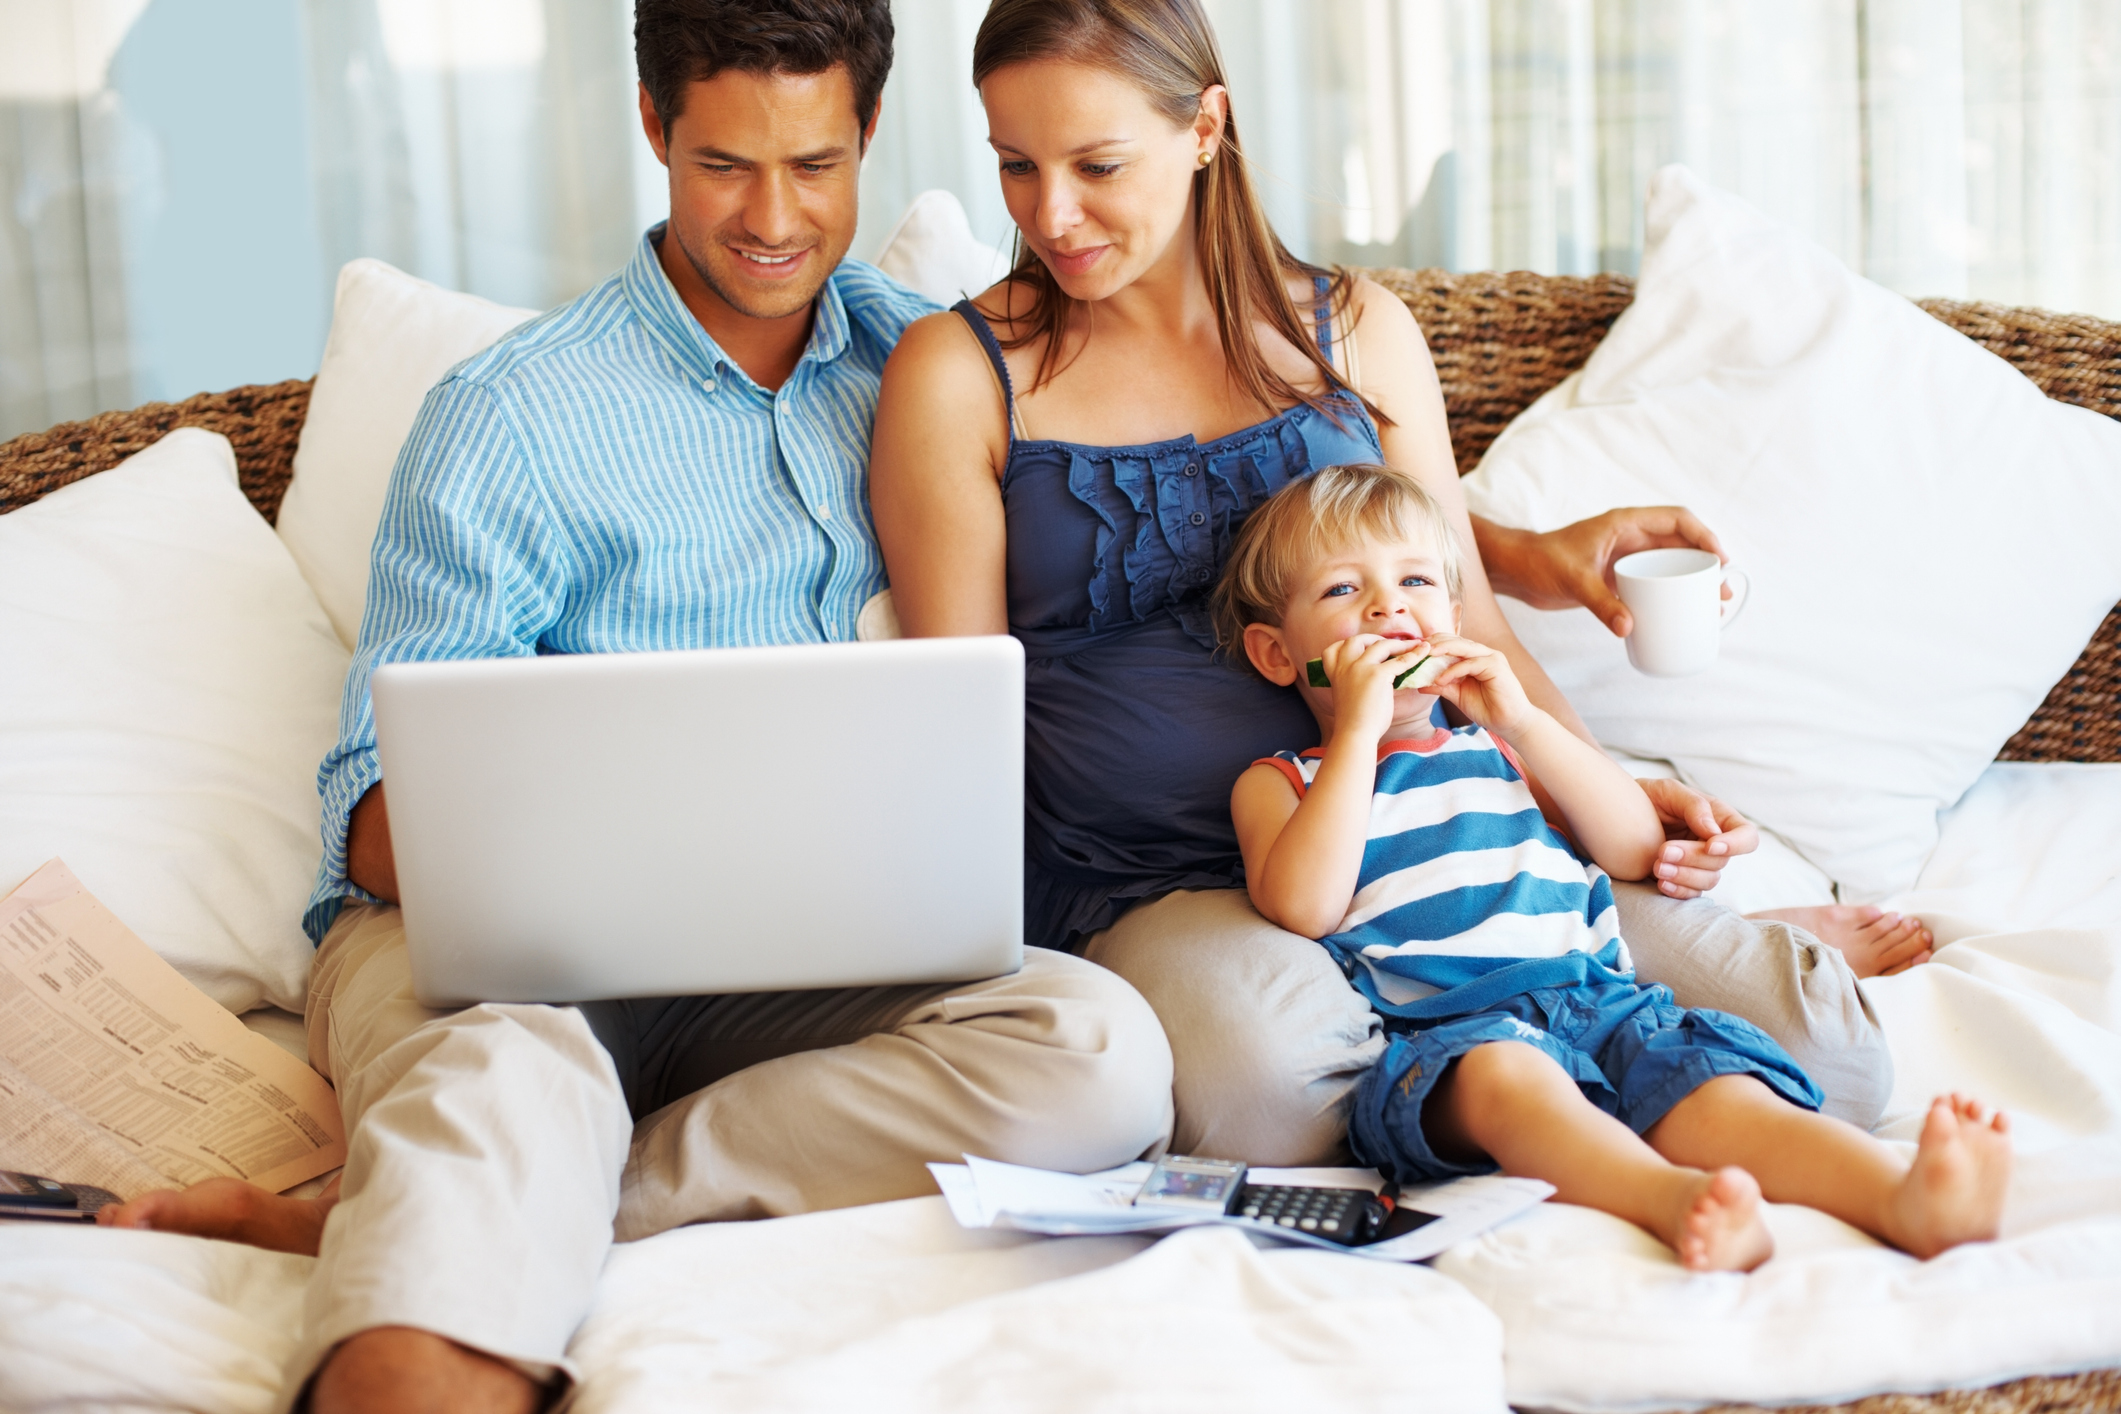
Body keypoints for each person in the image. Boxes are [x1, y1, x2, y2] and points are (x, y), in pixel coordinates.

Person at [97, 5, 1173, 1412]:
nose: (775, 218)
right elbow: (371, 826)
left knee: (1097, 1056)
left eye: (817, 164)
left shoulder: (937, 367)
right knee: (507, 1066)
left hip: (819, 966)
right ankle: (470, 1236)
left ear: (866, 143)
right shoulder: (512, 415)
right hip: (508, 963)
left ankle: (516, 1194)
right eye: (727, 164)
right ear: (657, 130)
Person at [869, 0, 1923, 1172]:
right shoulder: (960, 374)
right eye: (1016, 166)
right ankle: (1518, 1067)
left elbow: (1467, 618)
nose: (1049, 214)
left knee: (1834, 1058)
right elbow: (961, 716)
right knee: (1273, 1093)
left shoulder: (1357, 334)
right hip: (1166, 884)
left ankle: (1545, 1026)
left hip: (1442, 828)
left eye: (1096, 164)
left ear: (1206, 127)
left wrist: (1595, 801)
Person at [1216, 462, 2009, 1271]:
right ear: (1278, 655)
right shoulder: (1285, 782)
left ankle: (1898, 1194)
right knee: (1511, 1086)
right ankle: (1672, 1202)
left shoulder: (1493, 748)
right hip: (1452, 1037)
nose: (1388, 606)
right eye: (1343, 592)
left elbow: (1631, 847)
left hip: (1603, 999)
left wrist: (1521, 721)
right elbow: (1303, 906)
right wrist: (1355, 733)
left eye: (1414, 580)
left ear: (1452, 619)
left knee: (1716, 1092)